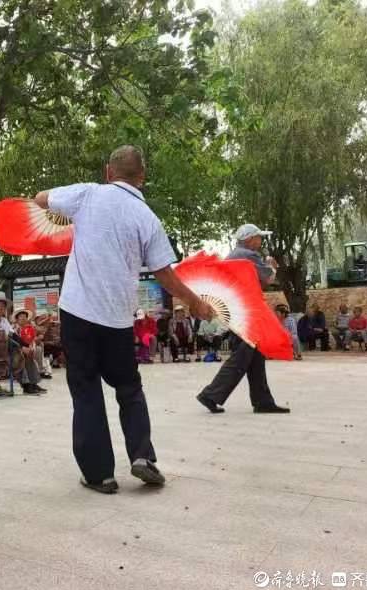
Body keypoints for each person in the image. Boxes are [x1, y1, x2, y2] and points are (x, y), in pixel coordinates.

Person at [32, 145, 214, 494]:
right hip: (117, 318)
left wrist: (62, 213)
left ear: (108, 172)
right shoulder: (147, 218)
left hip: (78, 311)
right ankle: (143, 455)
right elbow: (163, 272)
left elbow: (41, 198)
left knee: (86, 390)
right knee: (129, 387)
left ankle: (100, 474)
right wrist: (194, 302)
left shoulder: (87, 194)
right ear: (141, 178)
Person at [196, 225, 290, 415]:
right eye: (258, 238)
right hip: (247, 312)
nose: (261, 241)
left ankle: (262, 400)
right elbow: (268, 278)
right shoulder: (248, 255)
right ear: (249, 239)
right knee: (242, 356)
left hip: (237, 310)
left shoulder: (233, 255)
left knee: (255, 355)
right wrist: (272, 265)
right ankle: (211, 394)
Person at [0, 293, 45, 395]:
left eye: (3, 306)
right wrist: (21, 347)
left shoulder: (4, 320)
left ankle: (33, 383)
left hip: (5, 350)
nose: (1, 308)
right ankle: (26, 385)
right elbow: (0, 339)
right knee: (18, 354)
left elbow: (13, 335)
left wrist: (27, 346)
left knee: (28, 353)